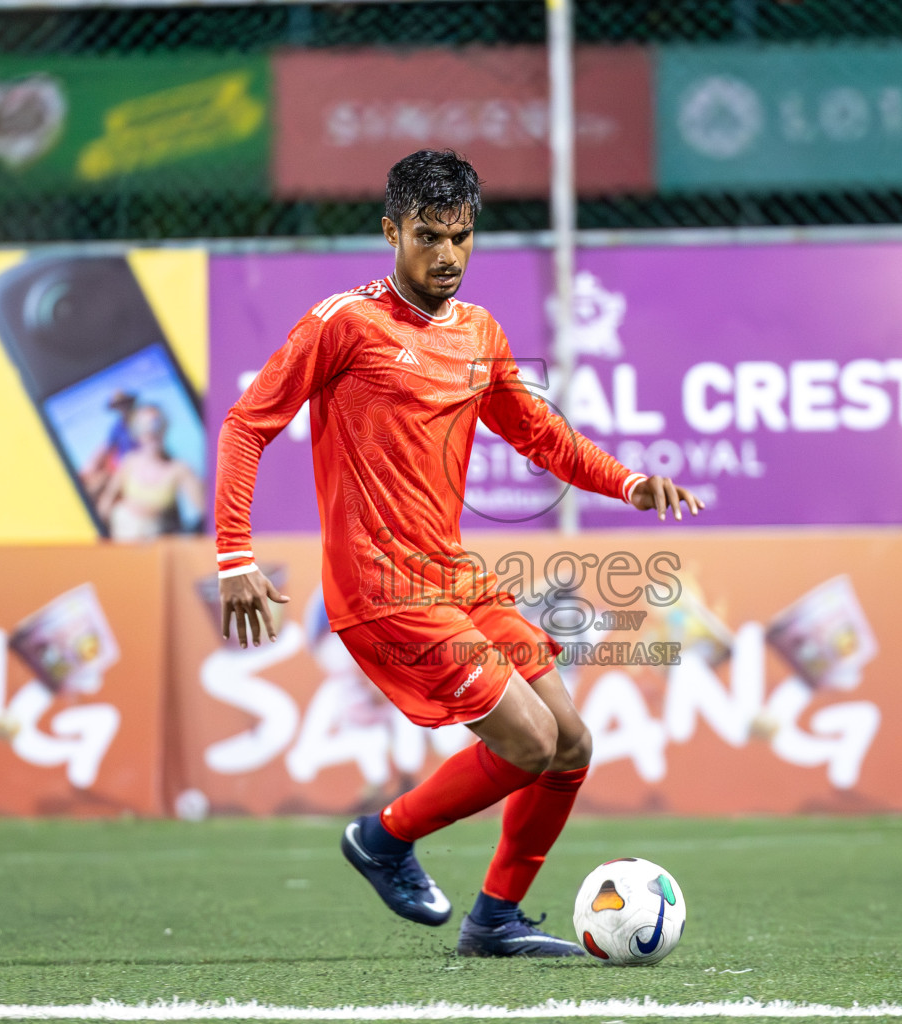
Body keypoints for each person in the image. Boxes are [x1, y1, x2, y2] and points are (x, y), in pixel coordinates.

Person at [214, 149, 702, 957]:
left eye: (461, 237)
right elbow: (245, 426)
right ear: (390, 232)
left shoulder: (479, 333)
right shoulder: (345, 324)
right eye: (427, 237)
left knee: (571, 743)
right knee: (527, 742)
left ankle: (495, 920)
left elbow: (540, 436)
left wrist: (630, 482)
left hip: (454, 578)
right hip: (382, 590)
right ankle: (383, 837)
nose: (446, 256)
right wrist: (236, 558)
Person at [97, 403, 205, 540]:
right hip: (121, 532)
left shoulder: (179, 469)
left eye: (155, 424)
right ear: (135, 431)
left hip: (153, 540)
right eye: (142, 427)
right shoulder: (129, 461)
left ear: (164, 427)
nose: (149, 432)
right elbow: (106, 502)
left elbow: (205, 508)